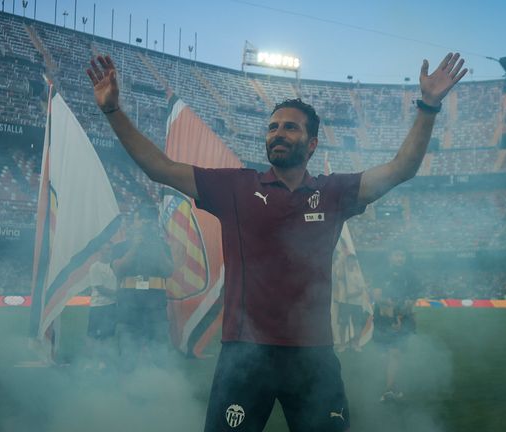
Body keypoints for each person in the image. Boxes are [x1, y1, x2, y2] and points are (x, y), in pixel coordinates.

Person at [87, 52, 466, 431]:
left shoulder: (334, 192)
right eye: (272, 127)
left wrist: (428, 106)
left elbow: (402, 169)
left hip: (313, 356)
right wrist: (113, 111)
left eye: (290, 128)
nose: (278, 133)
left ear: (312, 144)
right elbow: (161, 168)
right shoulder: (236, 186)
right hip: (244, 354)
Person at [112, 208, 174, 371]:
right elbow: (118, 270)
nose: (145, 224)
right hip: (129, 309)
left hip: (156, 309)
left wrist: (157, 248)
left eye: (149, 220)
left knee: (160, 353)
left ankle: (162, 388)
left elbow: (169, 271)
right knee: (127, 353)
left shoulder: (161, 246)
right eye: (141, 219)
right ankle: (126, 390)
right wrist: (135, 246)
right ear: (133, 222)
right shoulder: (121, 246)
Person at [372, 249, 420, 402]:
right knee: (384, 354)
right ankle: (390, 382)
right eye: (397, 254)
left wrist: (401, 313)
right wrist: (389, 306)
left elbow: (413, 299)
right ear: (390, 256)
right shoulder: (381, 272)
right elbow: (377, 296)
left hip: (403, 318)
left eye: (403, 255)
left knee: (396, 352)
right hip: (383, 318)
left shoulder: (411, 275)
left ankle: (389, 389)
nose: (400, 258)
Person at [86, 242, 118, 370]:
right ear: (100, 251)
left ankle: (103, 362)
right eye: (106, 249)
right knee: (92, 336)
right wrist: (120, 294)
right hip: (98, 307)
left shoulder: (115, 266)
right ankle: (89, 361)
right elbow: (100, 288)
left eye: (110, 249)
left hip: (111, 306)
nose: (109, 251)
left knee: (108, 336)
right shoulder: (95, 267)